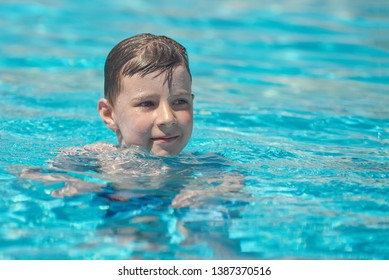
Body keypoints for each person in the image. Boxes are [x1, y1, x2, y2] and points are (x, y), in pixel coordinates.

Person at [98, 33, 194, 156]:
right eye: (147, 104)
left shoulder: (209, 168)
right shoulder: (90, 161)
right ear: (109, 114)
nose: (167, 118)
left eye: (180, 101)